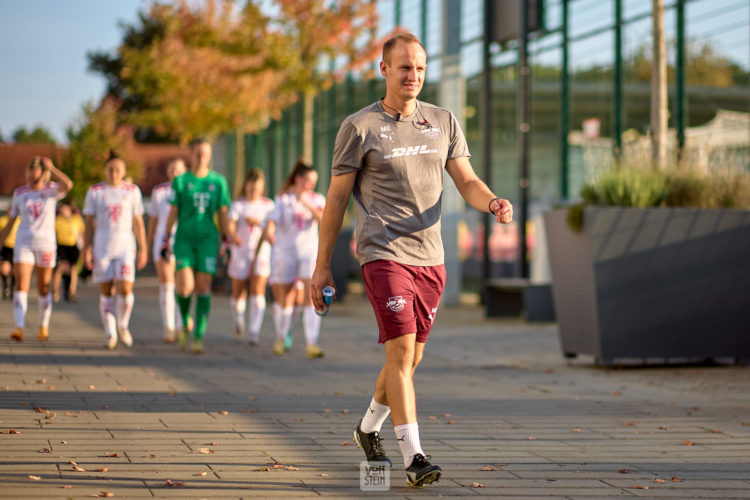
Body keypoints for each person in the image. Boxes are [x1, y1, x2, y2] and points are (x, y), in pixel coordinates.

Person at [310, 32, 514, 488]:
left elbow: (467, 181)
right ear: (384, 69)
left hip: (432, 259)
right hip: (383, 253)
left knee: (411, 359)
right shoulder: (359, 126)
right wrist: (321, 265)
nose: (413, 76)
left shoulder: (442, 121)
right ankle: (414, 456)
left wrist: (493, 202)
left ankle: (367, 429)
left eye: (420, 68)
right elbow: (336, 199)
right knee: (400, 351)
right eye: (404, 68)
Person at [163, 138, 231, 354]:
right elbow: (173, 210)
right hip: (184, 238)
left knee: (203, 286)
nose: (202, 157)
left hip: (208, 240)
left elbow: (223, 212)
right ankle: (185, 321)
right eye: (198, 153)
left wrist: (226, 238)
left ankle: (198, 336)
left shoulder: (218, 182)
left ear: (210, 156)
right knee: (184, 286)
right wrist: (166, 237)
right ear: (191, 154)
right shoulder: (181, 181)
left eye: (206, 153)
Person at [257, 160, 325, 358]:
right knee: (284, 297)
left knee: (311, 295)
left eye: (314, 181)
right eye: (308, 180)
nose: (311, 185)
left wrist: (304, 201)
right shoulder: (283, 199)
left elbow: (323, 220)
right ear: (298, 179)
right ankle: (281, 338)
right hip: (285, 252)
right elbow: (272, 221)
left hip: (308, 252)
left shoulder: (317, 199)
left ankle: (312, 342)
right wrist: (269, 233)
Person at [0, 156, 73, 341]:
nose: (33, 180)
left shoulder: (52, 190)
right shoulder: (20, 193)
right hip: (24, 243)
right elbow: (11, 221)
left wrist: (53, 167)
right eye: (30, 176)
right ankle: (19, 327)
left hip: (46, 244)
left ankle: (43, 325)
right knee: (21, 284)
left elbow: (68, 184)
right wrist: (1, 240)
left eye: (37, 177)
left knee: (43, 286)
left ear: (44, 175)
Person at [82, 153, 148, 350]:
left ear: (124, 171)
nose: (114, 173)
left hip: (126, 246)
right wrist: (86, 248)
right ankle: (110, 334)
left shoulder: (132, 191)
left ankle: (123, 325)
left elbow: (138, 222)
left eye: (118, 169)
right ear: (105, 171)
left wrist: (143, 248)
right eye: (110, 169)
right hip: (103, 247)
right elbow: (88, 224)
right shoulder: (95, 191)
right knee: (107, 289)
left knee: (126, 288)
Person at [227, 168, 274, 345]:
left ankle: (254, 331)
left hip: (261, 253)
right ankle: (239, 321)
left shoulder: (268, 205)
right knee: (238, 291)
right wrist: (234, 236)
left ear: (262, 188)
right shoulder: (238, 205)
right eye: (251, 187)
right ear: (246, 186)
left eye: (257, 188)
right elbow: (230, 225)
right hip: (241, 253)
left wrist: (259, 223)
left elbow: (271, 228)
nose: (253, 190)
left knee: (258, 289)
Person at [146, 157, 188, 343]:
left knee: (183, 285)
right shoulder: (159, 191)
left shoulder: (189, 188)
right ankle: (169, 326)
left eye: (178, 170)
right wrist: (147, 245)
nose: (174, 173)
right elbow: (153, 220)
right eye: (171, 170)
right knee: (167, 284)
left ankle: (181, 323)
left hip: (184, 241)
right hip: (163, 241)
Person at [53, 201, 84, 302]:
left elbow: (82, 233)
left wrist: (84, 248)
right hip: (61, 246)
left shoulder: (76, 219)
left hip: (73, 246)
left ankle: (72, 291)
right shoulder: (58, 220)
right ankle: (55, 291)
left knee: (73, 269)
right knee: (60, 268)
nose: (64, 211)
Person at [0, 210, 19, 300]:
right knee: (4, 268)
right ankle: (5, 286)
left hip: (18, 247)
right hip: (6, 247)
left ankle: (12, 288)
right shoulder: (3, 220)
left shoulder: (21, 221)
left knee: (15, 270)